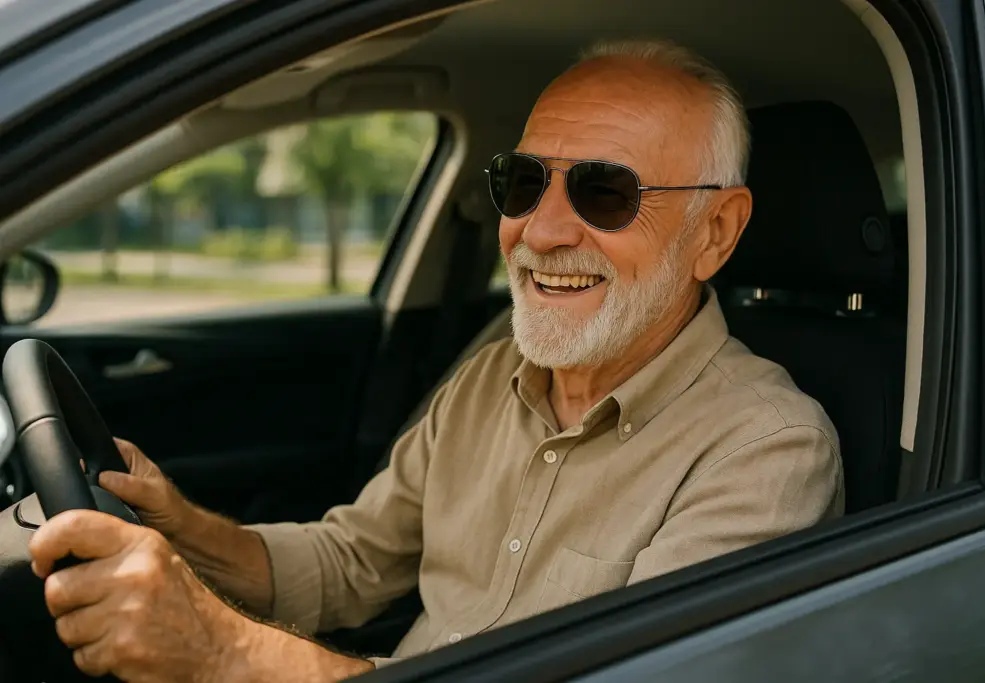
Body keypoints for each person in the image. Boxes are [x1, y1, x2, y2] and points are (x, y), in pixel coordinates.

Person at [28, 39, 844, 682]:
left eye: (605, 192)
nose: (542, 229)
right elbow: (348, 563)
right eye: (523, 182)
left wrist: (222, 654)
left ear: (716, 233)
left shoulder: (765, 451)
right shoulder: (492, 376)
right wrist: (185, 527)